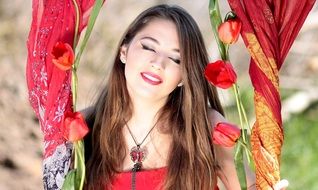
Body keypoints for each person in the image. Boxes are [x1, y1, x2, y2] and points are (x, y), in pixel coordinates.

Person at [28, 2, 285, 190]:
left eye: (175, 58)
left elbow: (247, 185)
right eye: (148, 46)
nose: (157, 63)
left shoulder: (205, 127)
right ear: (124, 51)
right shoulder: (82, 128)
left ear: (184, 75)